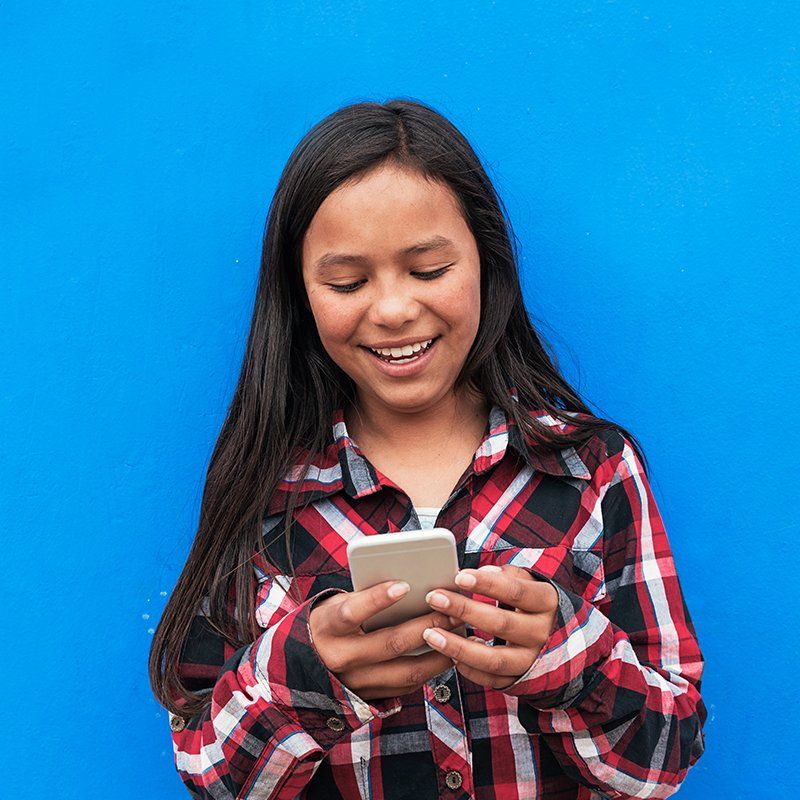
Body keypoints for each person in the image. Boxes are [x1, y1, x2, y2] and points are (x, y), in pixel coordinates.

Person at [149, 98, 707, 800]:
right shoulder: (267, 494)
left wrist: (566, 658)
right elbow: (210, 774)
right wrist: (309, 671)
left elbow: (667, 759)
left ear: (485, 261)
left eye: (429, 269)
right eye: (348, 282)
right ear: (301, 295)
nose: (392, 310)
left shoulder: (591, 471)